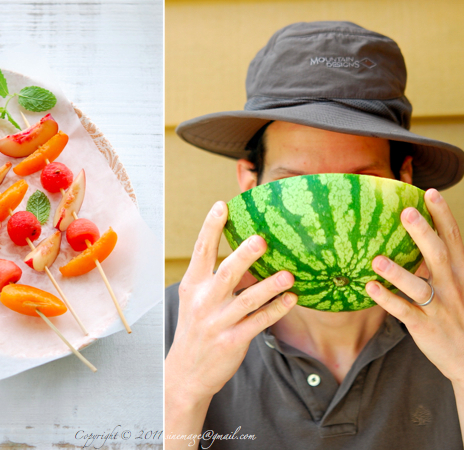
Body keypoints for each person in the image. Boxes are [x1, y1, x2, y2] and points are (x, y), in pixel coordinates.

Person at [165, 21, 464, 449]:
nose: (327, 214)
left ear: (406, 181)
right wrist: (182, 391)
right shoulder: (175, 323)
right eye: (296, 184)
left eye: (358, 183)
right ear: (250, 185)